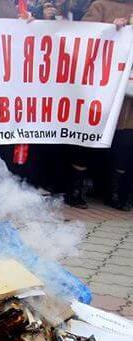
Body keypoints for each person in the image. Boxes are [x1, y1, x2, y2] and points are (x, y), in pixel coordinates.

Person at [83, 0, 133, 210]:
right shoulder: (101, 5)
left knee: (125, 142)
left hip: (128, 93)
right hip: (103, 87)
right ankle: (77, 187)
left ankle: (114, 191)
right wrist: (111, 29)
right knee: (89, 138)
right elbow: (84, 35)